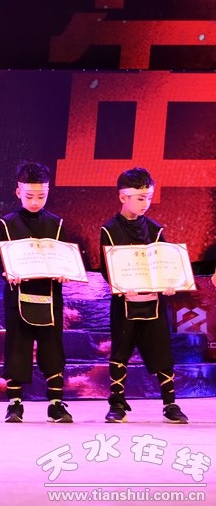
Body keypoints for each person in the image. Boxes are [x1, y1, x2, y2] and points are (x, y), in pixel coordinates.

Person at [99, 167, 188, 424]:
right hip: (124, 302)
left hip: (154, 303)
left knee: (162, 352)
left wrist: (170, 283)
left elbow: (166, 263)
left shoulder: (155, 229)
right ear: (123, 197)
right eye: (140, 198)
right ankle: (117, 404)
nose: (145, 203)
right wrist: (119, 283)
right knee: (120, 352)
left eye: (148, 197)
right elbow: (107, 268)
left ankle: (170, 404)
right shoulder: (109, 229)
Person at [0, 162, 73, 423]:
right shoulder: (7, 223)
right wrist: (8, 272)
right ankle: (15, 404)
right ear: (18, 192)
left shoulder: (56, 223)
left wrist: (65, 271)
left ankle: (56, 404)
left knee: (52, 349)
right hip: (18, 297)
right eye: (29, 196)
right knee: (17, 348)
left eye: (41, 196)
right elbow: (0, 262)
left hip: (50, 297)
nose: (35, 202)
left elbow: (64, 257)